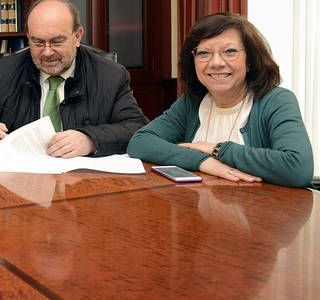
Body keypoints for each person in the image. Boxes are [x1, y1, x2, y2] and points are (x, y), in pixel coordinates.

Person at [128, 13, 313, 187]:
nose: (216, 63)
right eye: (204, 53)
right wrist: (204, 162)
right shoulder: (192, 102)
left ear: (250, 60)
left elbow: (298, 167)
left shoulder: (276, 100)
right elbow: (140, 142)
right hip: (203, 212)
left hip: (262, 212)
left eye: (230, 51)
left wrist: (216, 150)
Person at [0, 0, 148, 157]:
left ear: (77, 36)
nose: (46, 52)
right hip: (20, 183)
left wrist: (90, 139)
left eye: (56, 42)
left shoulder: (110, 75)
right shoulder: (5, 72)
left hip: (82, 185)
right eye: (37, 42)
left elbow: (137, 128)